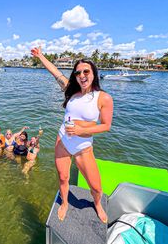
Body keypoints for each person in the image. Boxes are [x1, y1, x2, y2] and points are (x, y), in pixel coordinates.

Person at [31, 47, 113, 223]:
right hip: (63, 140)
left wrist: (82, 131)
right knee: (63, 177)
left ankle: (97, 204)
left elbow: (106, 126)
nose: (82, 75)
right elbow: (55, 72)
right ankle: (65, 203)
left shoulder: (103, 98)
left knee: (96, 187)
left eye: (86, 71)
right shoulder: (70, 91)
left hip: (83, 147)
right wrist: (40, 56)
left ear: (93, 73)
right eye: (78, 72)